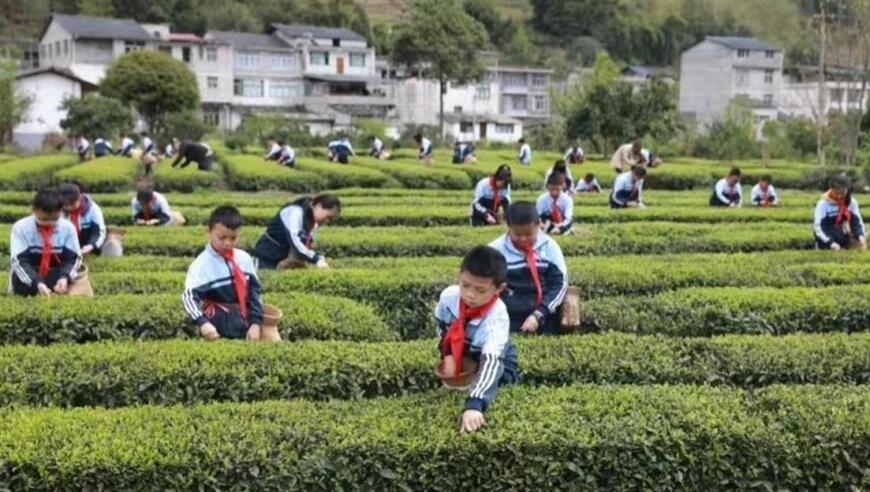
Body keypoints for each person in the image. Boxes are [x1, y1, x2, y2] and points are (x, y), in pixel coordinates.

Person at [435, 245, 518, 433]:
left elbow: (491, 362)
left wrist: (474, 404)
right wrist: (446, 354)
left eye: (480, 290)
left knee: (499, 391)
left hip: (497, 359)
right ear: (459, 276)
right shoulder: (449, 297)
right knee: (452, 390)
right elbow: (441, 326)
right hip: (465, 350)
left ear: (499, 288)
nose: (470, 295)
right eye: (465, 285)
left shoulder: (496, 317)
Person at [183, 206, 265, 341]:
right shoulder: (201, 264)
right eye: (221, 237)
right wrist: (203, 322)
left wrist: (256, 323)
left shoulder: (244, 258)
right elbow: (188, 297)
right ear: (208, 232)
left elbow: (254, 292)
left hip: (246, 320)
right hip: (218, 324)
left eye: (233, 238)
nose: (227, 243)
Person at [488, 202, 568, 334]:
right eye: (518, 234)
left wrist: (539, 314)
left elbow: (559, 285)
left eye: (528, 234)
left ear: (538, 225)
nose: (523, 239)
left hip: (544, 316)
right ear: (508, 227)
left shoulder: (550, 247)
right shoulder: (495, 251)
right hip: (505, 319)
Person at [9, 189, 82, 296]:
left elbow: (72, 259)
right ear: (34, 210)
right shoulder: (21, 228)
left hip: (57, 278)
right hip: (27, 281)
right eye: (43, 219)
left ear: (61, 211)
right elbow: (19, 261)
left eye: (54, 219)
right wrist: (37, 283)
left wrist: (64, 278)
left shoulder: (68, 228)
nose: (49, 223)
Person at [253, 194, 341, 269]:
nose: (327, 221)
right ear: (318, 206)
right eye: (328, 217)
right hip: (266, 256)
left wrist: (320, 257)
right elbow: (296, 244)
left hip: (281, 258)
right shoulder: (294, 213)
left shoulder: (313, 223)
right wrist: (316, 258)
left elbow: (307, 246)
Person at [814, 175, 867, 251]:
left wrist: (860, 235)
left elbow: (857, 222)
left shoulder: (852, 202)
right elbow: (818, 228)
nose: (839, 196)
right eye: (836, 193)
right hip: (827, 243)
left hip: (844, 240)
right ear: (831, 189)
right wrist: (830, 243)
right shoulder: (823, 204)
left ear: (847, 189)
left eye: (842, 193)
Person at [58, 181, 106, 256]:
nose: (69, 207)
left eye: (72, 204)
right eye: (66, 205)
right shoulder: (57, 210)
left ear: (80, 197)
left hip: (89, 248)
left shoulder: (93, 209)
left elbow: (98, 232)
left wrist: (91, 246)